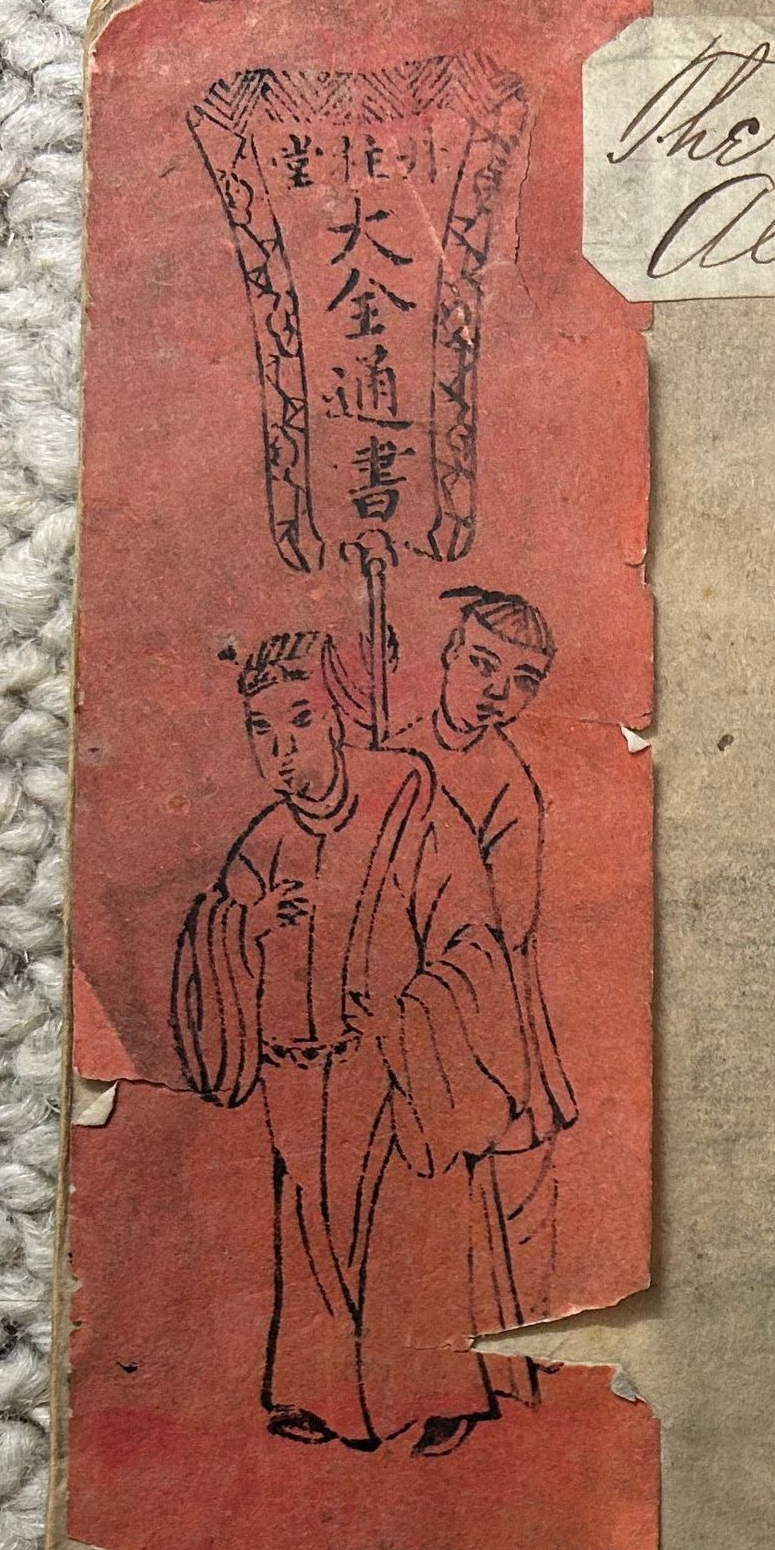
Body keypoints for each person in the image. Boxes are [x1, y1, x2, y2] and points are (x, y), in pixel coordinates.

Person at [170, 630, 539, 1457]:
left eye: (300, 719)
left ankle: (440, 1394)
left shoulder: (415, 811)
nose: (283, 748)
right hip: (297, 1077)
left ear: (338, 718)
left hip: (398, 1067)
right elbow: (213, 943)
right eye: (262, 730)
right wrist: (244, 928)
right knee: (313, 1236)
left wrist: (410, 1013)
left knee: (412, 1231)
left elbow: (471, 941)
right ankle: (319, 1394)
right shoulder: (264, 841)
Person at [391, 587, 577, 1348]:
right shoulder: (391, 757)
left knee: (514, 1211)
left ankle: (524, 1368)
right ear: (448, 656)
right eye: (481, 663)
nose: (497, 690)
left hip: (490, 1022)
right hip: (401, 1025)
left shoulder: (510, 787)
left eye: (522, 679)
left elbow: (507, 927)